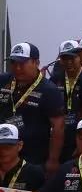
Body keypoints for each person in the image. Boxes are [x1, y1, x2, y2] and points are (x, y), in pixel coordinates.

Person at [0, 42, 65, 172]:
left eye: (22, 63)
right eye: (13, 63)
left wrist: (53, 159)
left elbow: (58, 127)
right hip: (3, 151)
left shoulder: (49, 90)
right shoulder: (3, 81)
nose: (17, 68)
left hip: (33, 157)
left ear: (36, 63)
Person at [49, 39, 82, 162]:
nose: (68, 62)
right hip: (61, 134)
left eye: (72, 58)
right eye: (64, 58)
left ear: (80, 57)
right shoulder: (54, 79)